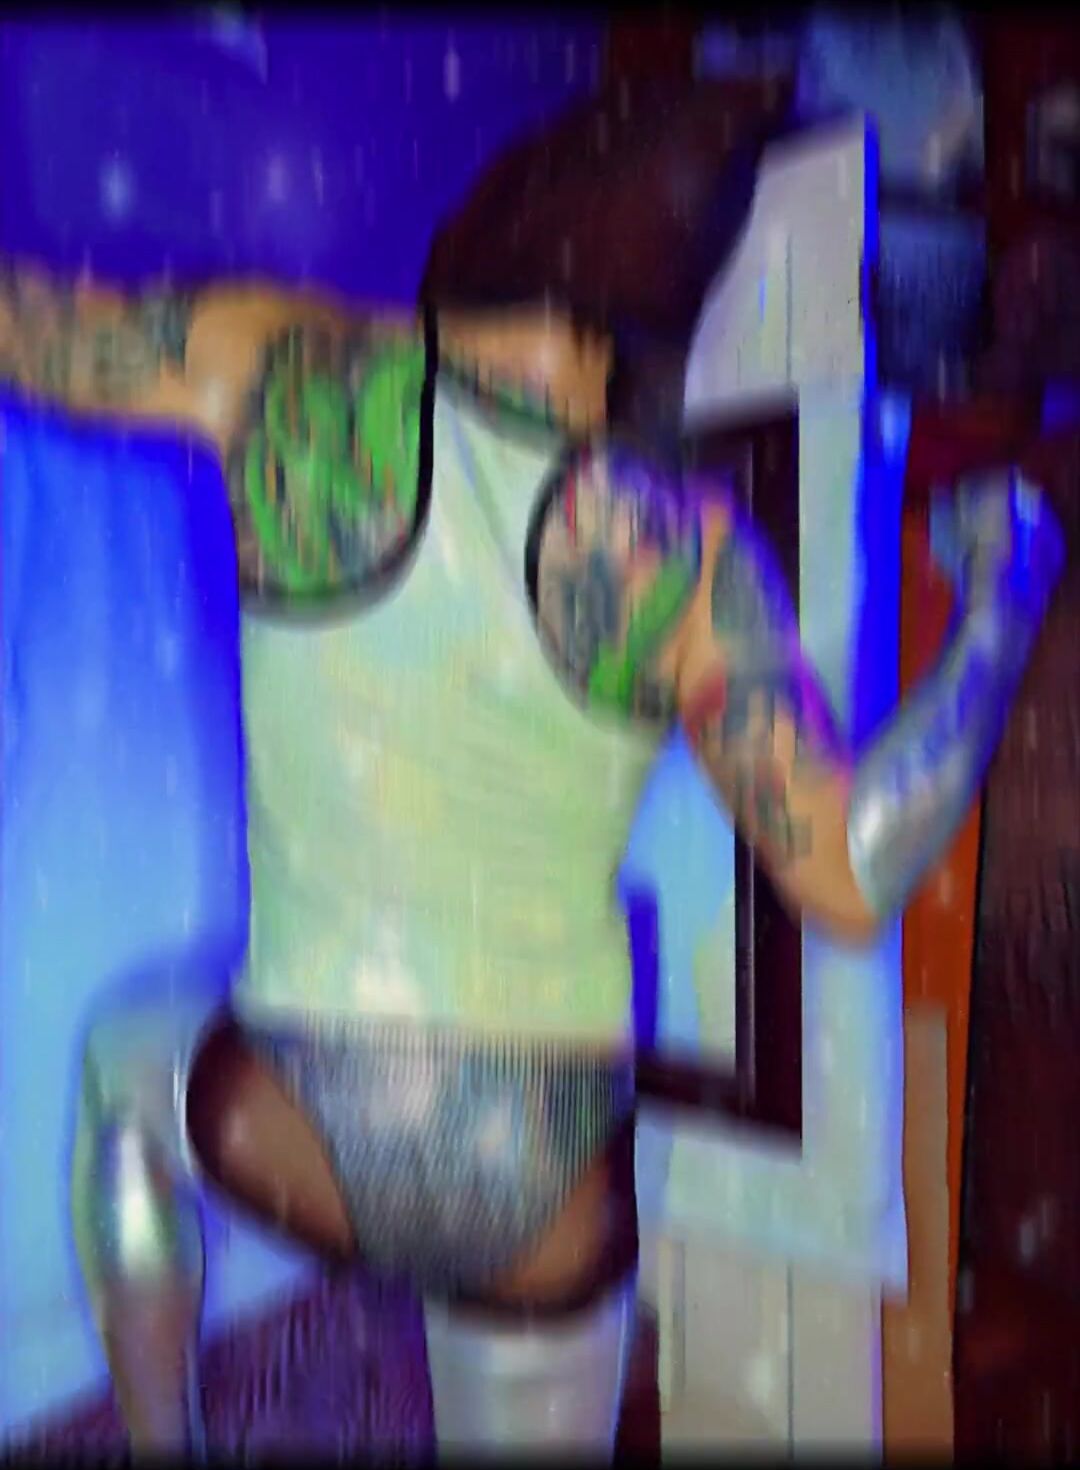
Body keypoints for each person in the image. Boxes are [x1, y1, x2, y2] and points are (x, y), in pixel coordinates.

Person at [0, 260, 1063, 1457]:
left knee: (124, 1068)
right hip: (532, 1181)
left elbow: (33, 338)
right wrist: (1005, 590)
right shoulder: (687, 549)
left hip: (286, 1112)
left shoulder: (287, 375)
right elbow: (850, 879)